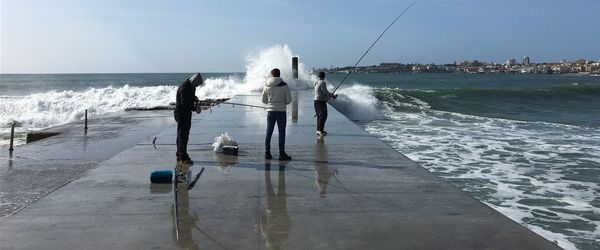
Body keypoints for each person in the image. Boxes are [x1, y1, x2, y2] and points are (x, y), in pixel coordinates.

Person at [262, 68, 292, 161]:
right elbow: (289, 100)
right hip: (281, 111)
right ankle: (282, 154)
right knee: (281, 133)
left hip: (270, 111)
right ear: (279, 75)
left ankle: (267, 153)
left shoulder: (267, 85)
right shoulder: (284, 85)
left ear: (272, 75)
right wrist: (282, 103)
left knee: (269, 132)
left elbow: (264, 100)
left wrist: (271, 103)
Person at [174, 73, 203, 165]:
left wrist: (195, 98)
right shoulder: (184, 87)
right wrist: (195, 108)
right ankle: (182, 156)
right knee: (182, 135)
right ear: (194, 81)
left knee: (185, 135)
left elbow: (190, 98)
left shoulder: (191, 87)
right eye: (197, 84)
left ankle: (181, 154)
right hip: (181, 114)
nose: (197, 87)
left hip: (186, 114)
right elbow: (184, 103)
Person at [314, 71, 337, 136]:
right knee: (323, 115)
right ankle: (319, 130)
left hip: (316, 101)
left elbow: (321, 92)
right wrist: (332, 95)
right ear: (324, 76)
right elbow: (325, 92)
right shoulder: (323, 82)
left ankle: (319, 130)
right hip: (320, 101)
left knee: (320, 115)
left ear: (319, 76)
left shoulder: (316, 82)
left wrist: (330, 95)